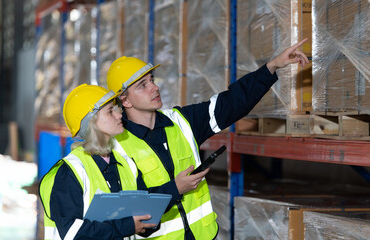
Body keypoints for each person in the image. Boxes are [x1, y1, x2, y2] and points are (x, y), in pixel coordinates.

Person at [106, 38, 310, 240]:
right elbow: (130, 210)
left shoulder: (182, 122)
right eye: (142, 85)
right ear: (125, 101)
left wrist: (271, 67)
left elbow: (232, 103)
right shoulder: (117, 147)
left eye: (152, 80)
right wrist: (175, 189)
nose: (154, 87)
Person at [38, 84, 209, 240]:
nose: (120, 113)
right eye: (110, 111)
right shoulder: (71, 171)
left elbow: (141, 218)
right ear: (92, 122)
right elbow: (71, 233)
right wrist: (128, 225)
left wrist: (174, 190)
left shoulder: (125, 162)